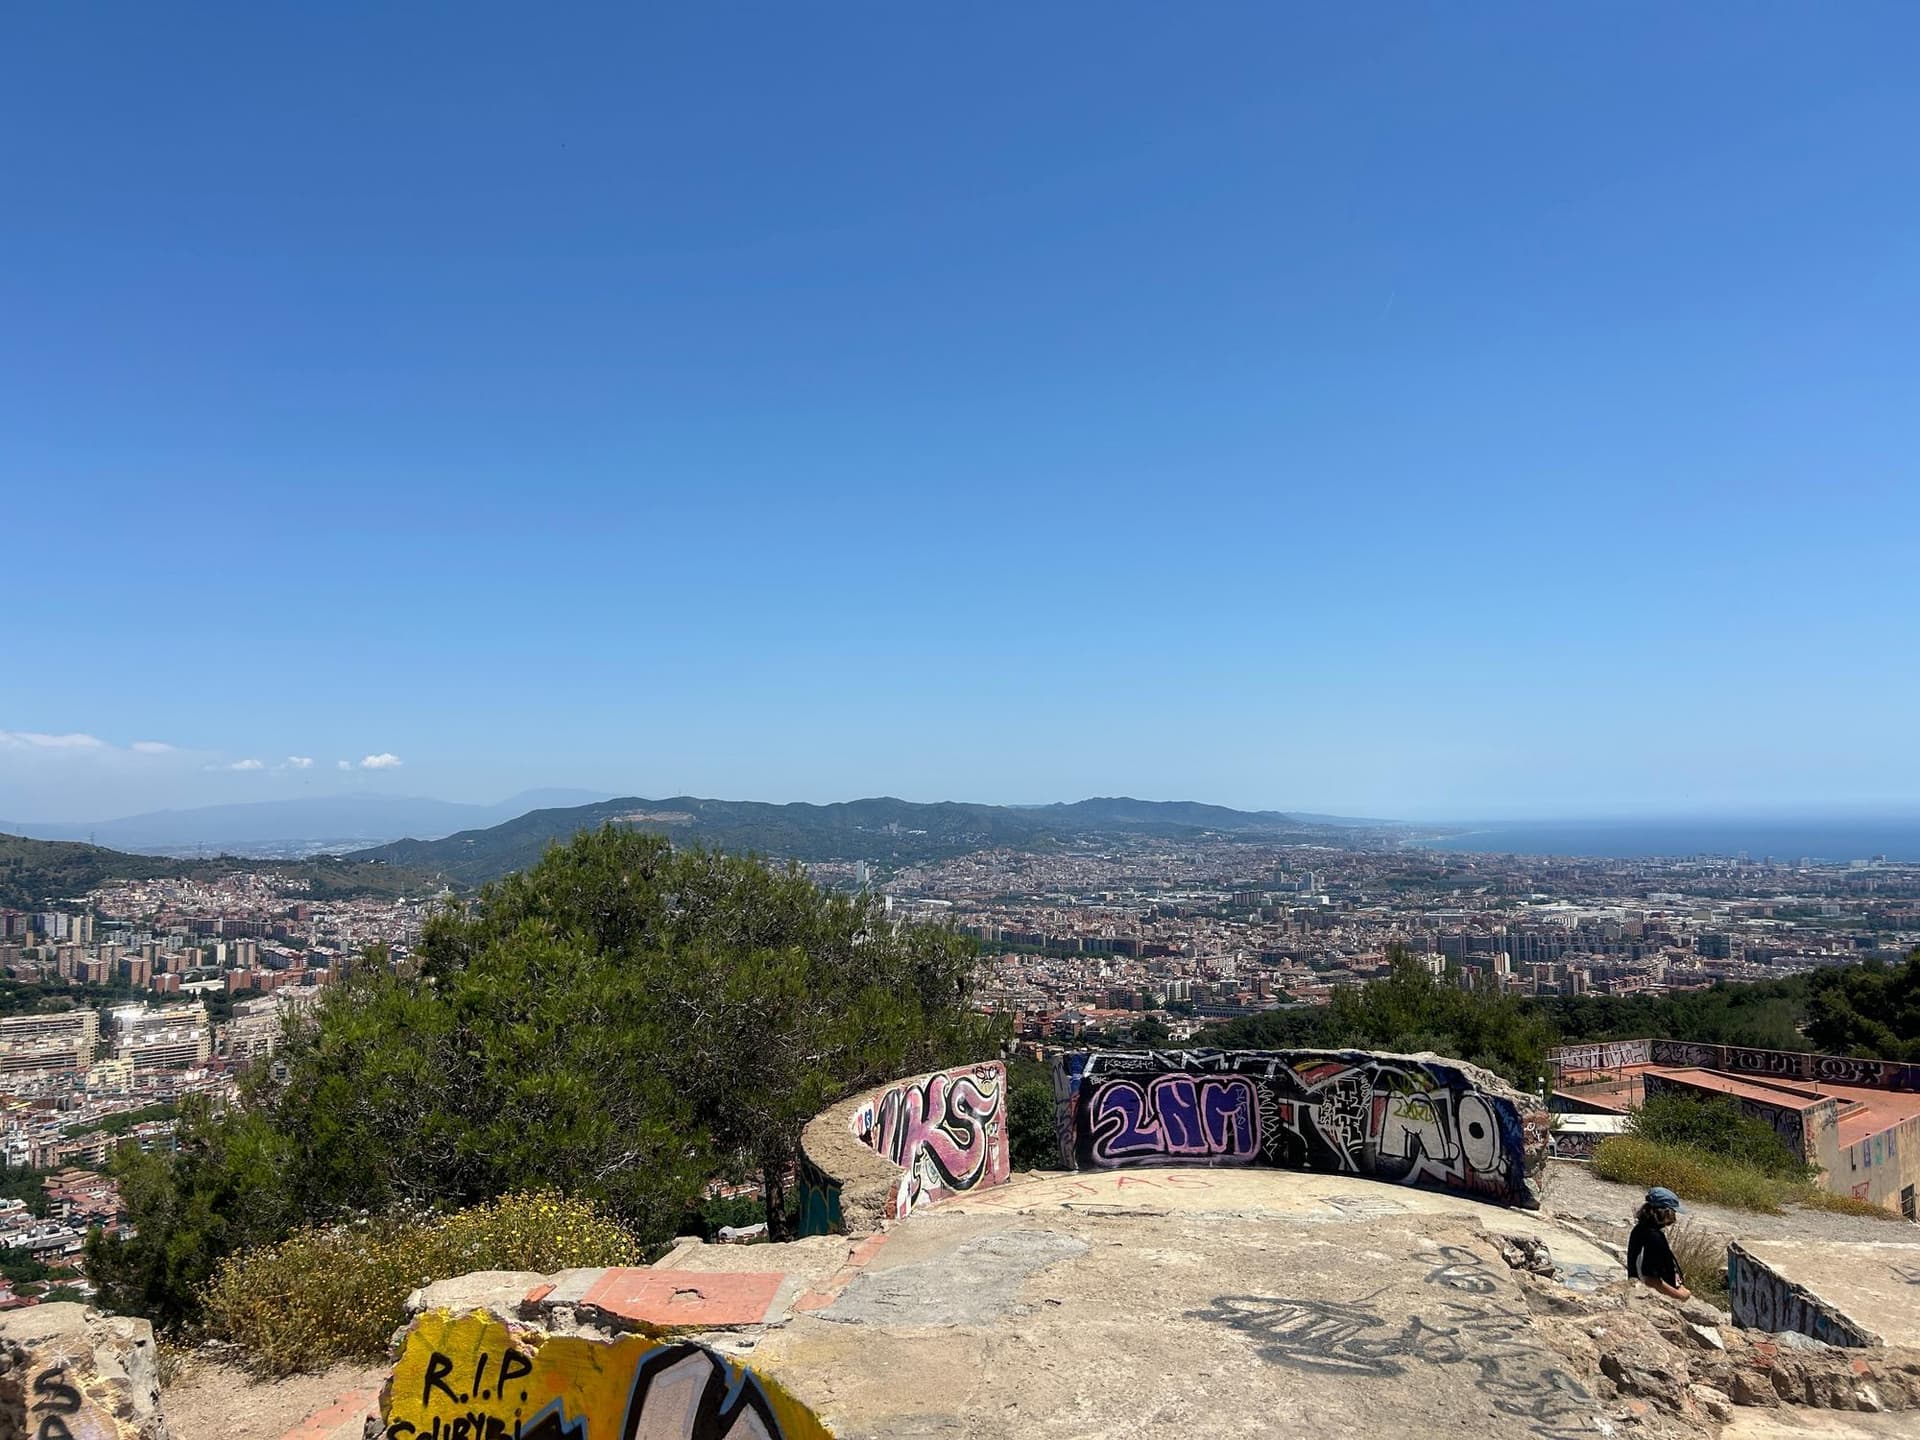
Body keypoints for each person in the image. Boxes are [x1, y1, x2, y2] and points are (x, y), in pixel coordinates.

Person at [1627, 1186, 1691, 1301]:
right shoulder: (1653, 1237)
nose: (1674, 1217)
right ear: (1665, 1212)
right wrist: (1680, 1296)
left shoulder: (1641, 1229)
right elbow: (1650, 1280)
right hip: (1649, 1297)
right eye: (1673, 1212)